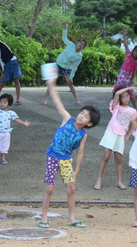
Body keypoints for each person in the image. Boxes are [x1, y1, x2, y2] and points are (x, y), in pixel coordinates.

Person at [38, 76, 100, 229]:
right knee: (50, 189)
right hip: (52, 157)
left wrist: (77, 171)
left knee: (71, 188)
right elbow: (58, 103)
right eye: (82, 113)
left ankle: (72, 218)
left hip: (66, 160)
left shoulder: (83, 135)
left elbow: (80, 153)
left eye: (86, 116)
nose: (81, 116)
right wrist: (52, 85)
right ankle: (44, 217)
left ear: (89, 123)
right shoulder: (67, 118)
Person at [94, 86, 137, 191]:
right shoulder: (115, 107)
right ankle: (98, 180)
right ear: (119, 99)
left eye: (127, 96)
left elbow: (134, 123)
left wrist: (128, 135)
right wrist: (129, 87)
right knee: (106, 156)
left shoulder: (132, 110)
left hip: (121, 135)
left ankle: (120, 181)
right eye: (123, 97)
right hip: (111, 133)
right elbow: (117, 93)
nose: (126, 98)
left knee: (118, 159)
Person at [41, 22, 86, 106]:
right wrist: (64, 29)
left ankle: (77, 100)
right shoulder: (70, 45)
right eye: (80, 43)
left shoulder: (79, 56)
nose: (80, 45)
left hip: (67, 69)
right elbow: (64, 38)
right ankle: (45, 99)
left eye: (83, 45)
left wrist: (71, 77)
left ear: (83, 47)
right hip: (57, 65)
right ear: (77, 43)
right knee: (52, 82)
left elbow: (75, 67)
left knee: (70, 83)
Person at [0, 93, 31, 165]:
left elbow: (16, 119)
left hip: (6, 132)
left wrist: (23, 123)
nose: (2, 104)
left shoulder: (11, 113)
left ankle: (3, 158)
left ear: (9, 104)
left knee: (5, 145)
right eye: (0, 102)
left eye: (4, 102)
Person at [112, 29, 137, 109]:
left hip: (128, 79)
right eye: (135, 51)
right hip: (121, 76)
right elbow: (125, 44)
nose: (136, 53)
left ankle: (135, 108)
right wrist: (124, 35)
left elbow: (134, 71)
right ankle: (116, 107)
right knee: (118, 91)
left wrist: (132, 79)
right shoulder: (128, 54)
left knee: (130, 93)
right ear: (133, 50)